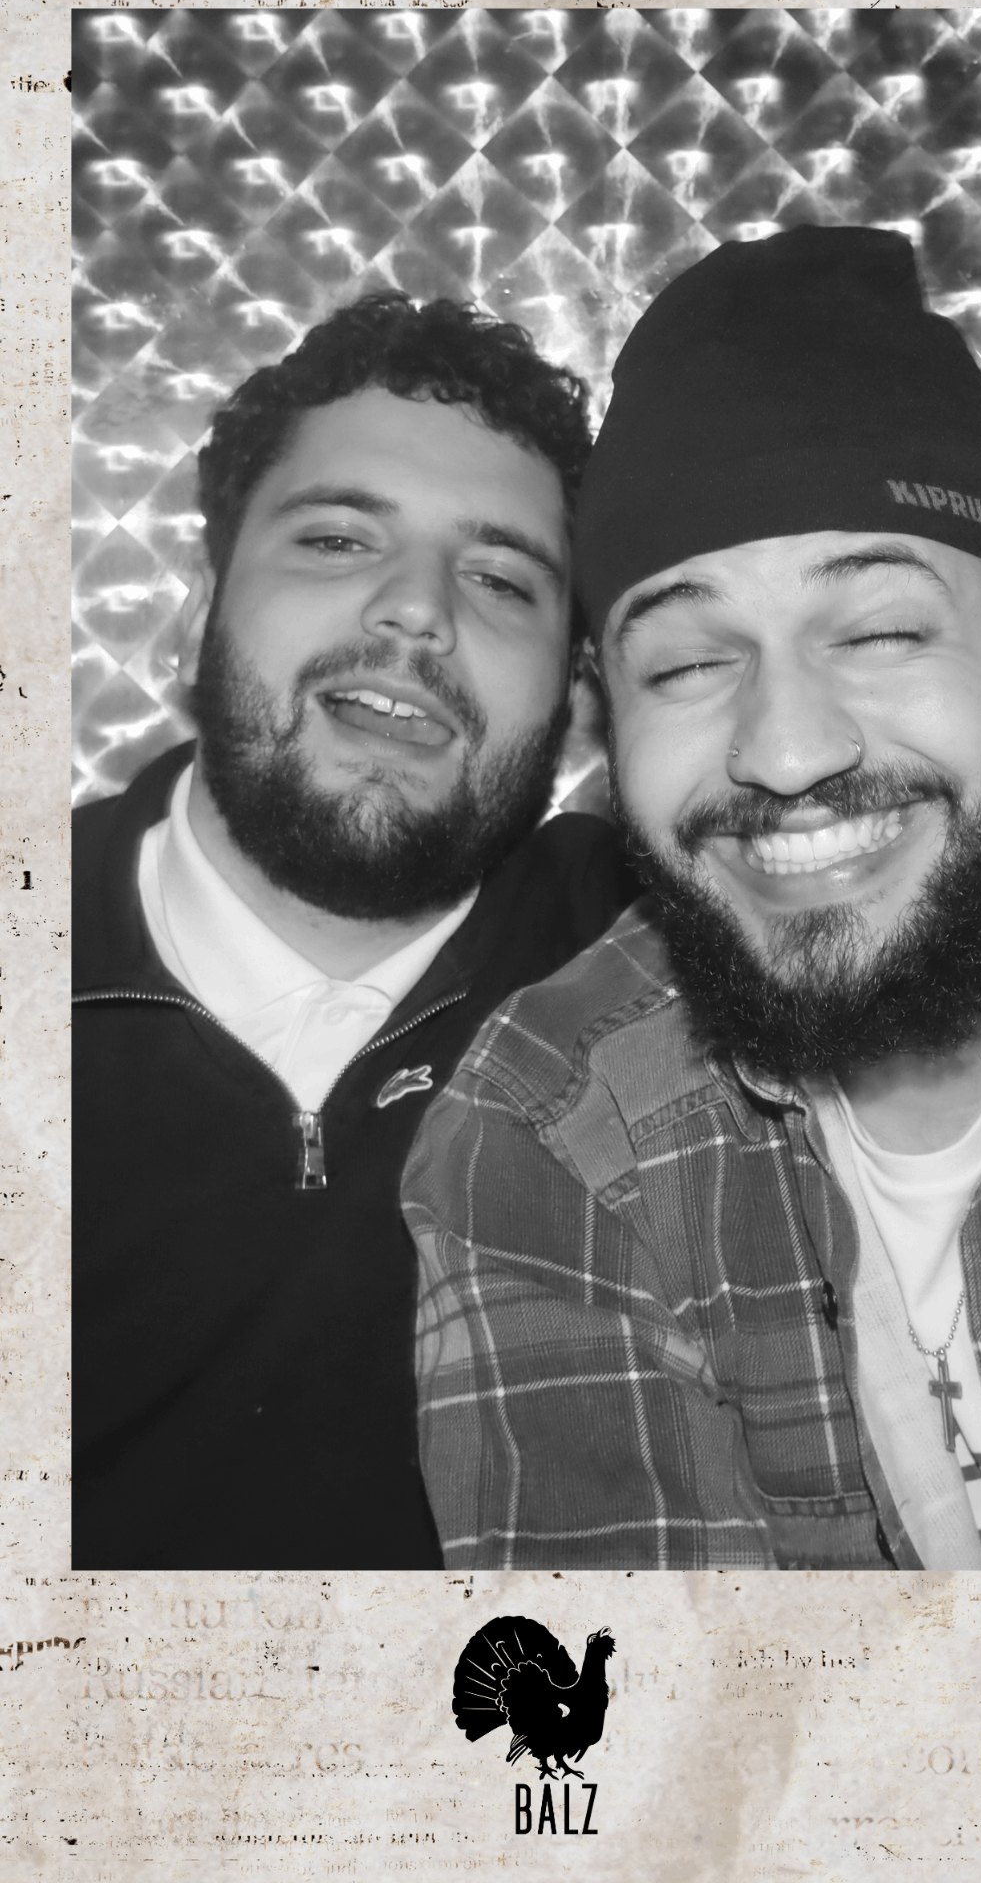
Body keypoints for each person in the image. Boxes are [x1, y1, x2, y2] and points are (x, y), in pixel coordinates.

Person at [404, 226, 981, 1572]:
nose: (785, 750)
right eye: (684, 665)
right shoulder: (554, 1130)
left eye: (881, 631)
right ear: (609, 728)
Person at [72, 291, 635, 1569]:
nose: (416, 609)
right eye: (336, 540)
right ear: (200, 607)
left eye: (500, 578)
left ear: (573, 694)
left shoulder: (668, 983)